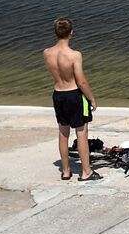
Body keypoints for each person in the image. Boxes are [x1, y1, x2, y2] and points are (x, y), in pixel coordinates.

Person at [43, 17, 101, 182]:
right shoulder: (74, 55)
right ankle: (86, 171)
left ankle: (66, 171)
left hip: (58, 94)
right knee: (81, 132)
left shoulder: (47, 53)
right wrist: (91, 99)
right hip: (73, 94)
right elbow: (81, 81)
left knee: (63, 133)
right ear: (71, 33)